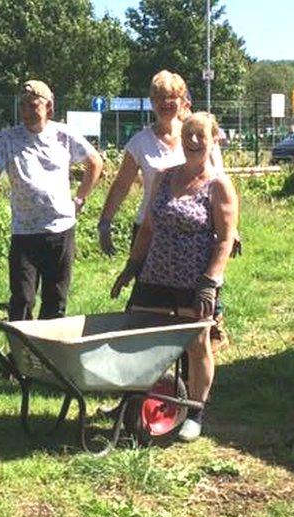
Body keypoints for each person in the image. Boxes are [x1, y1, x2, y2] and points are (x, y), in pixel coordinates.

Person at [111, 112, 240, 442]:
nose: (194, 141)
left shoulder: (219, 185)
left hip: (193, 279)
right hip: (156, 273)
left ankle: (196, 411)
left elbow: (225, 239)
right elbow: (149, 227)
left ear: (214, 141)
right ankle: (136, 400)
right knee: (138, 336)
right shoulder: (165, 178)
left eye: (201, 135)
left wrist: (210, 282)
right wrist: (132, 266)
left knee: (197, 346)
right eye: (189, 135)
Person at [98, 70, 231, 351]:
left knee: (194, 310)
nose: (166, 103)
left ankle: (195, 362)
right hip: (151, 230)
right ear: (151, 101)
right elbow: (121, 185)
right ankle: (154, 376)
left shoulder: (199, 134)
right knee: (147, 309)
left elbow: (219, 187)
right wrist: (105, 222)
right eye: (159, 97)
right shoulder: (140, 142)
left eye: (172, 97)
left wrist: (232, 231)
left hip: (196, 233)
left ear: (183, 100)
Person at [0, 80, 103, 321]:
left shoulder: (64, 135)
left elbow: (95, 162)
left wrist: (80, 199)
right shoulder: (8, 138)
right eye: (23, 106)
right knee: (22, 299)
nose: (27, 111)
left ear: (48, 107)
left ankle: (48, 354)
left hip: (60, 230)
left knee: (55, 299)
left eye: (33, 105)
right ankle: (22, 354)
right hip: (24, 232)